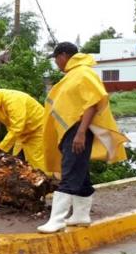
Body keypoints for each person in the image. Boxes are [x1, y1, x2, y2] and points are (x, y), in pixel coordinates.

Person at [37, 42, 128, 233]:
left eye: (56, 59)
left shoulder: (83, 73)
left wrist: (80, 133)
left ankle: (57, 220)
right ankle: (81, 215)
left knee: (69, 172)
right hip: (70, 130)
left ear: (63, 55)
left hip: (78, 130)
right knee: (80, 173)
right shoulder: (73, 74)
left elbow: (93, 103)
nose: (56, 63)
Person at [0, 85, 48, 173]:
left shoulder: (13, 100)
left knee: (38, 163)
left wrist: (0, 148)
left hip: (38, 130)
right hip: (22, 135)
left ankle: (46, 183)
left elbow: (17, 127)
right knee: (16, 162)